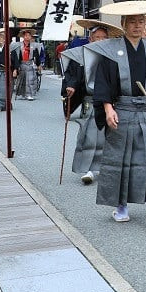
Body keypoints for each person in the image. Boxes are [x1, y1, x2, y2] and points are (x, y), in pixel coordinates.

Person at [85, 1, 146, 227]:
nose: (137, 26)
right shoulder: (110, 51)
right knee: (120, 159)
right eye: (132, 21)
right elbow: (103, 83)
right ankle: (120, 206)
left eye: (141, 22)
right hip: (121, 109)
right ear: (124, 24)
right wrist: (107, 108)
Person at [61, 20, 122, 184]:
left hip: (111, 101)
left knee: (112, 137)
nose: (100, 40)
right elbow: (71, 75)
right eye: (97, 37)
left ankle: (109, 168)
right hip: (90, 99)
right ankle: (88, 169)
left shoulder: (114, 54)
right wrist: (71, 86)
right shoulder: (81, 55)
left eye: (104, 37)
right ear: (90, 39)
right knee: (89, 136)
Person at [15, 29, 44, 100]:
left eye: (29, 36)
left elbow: (37, 56)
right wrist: (16, 66)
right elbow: (16, 56)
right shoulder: (19, 45)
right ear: (23, 36)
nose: (27, 37)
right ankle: (23, 94)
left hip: (30, 63)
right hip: (22, 64)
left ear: (31, 37)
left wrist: (39, 65)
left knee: (30, 79)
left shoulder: (34, 45)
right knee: (22, 80)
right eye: (26, 35)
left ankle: (29, 94)